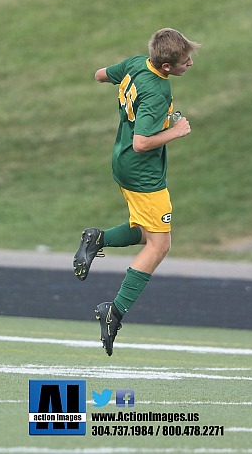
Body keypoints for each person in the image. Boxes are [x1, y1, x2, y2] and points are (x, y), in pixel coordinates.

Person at [73, 27, 201, 356]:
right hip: (143, 175)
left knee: (147, 232)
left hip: (121, 164)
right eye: (186, 60)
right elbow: (142, 142)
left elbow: (100, 75)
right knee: (160, 245)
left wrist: (157, 113)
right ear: (167, 66)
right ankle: (113, 313)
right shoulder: (157, 90)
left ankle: (97, 239)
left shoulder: (137, 63)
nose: (191, 63)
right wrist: (175, 131)